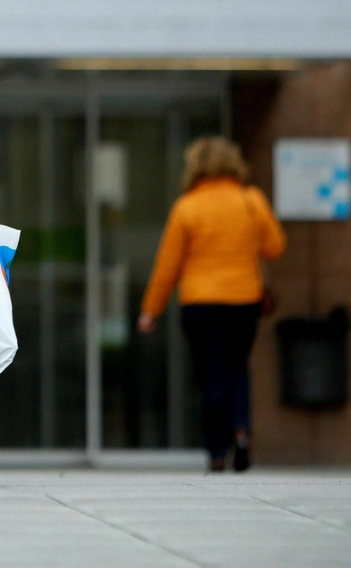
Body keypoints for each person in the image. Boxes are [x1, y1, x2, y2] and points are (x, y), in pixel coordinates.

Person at [137, 137, 286, 473]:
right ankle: (241, 431)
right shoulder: (251, 201)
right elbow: (275, 246)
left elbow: (167, 266)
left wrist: (151, 310)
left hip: (200, 304)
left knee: (211, 376)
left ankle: (217, 452)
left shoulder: (187, 207)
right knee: (238, 369)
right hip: (243, 300)